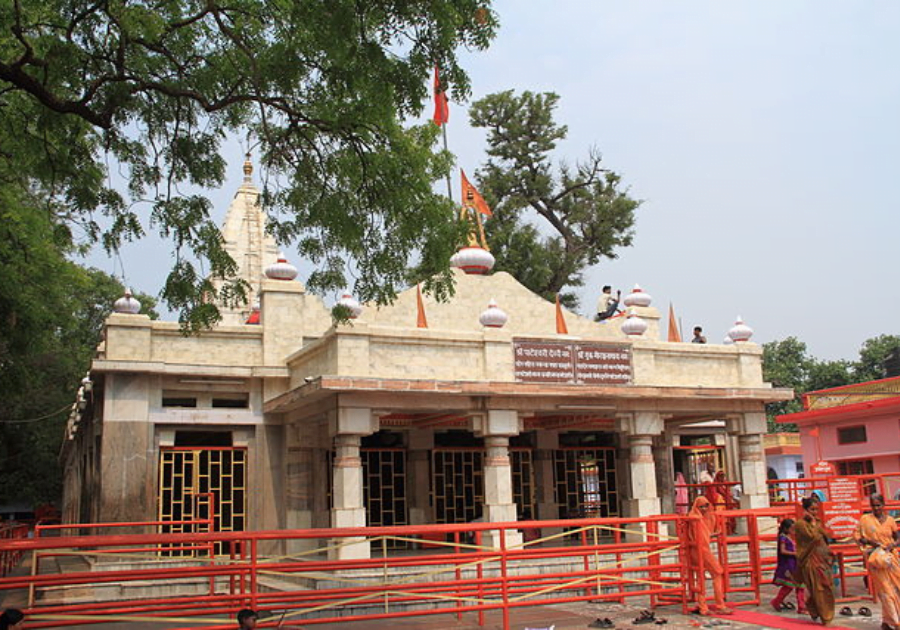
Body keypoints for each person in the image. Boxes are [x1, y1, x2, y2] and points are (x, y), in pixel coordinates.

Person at [855, 493, 900, 630]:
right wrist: (871, 542)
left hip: (891, 559)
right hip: (876, 560)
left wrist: (892, 545)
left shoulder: (890, 520)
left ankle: (886, 622)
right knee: (886, 591)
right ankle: (896, 622)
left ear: (883, 505)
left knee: (896, 589)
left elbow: (897, 537)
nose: (876, 508)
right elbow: (859, 537)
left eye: (878, 505)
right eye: (873, 506)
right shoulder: (865, 519)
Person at [686, 496, 732, 616]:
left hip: (697, 549)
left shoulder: (696, 517)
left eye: (706, 506)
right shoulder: (695, 518)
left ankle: (703, 606)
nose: (704, 509)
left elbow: (705, 534)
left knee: (701, 576)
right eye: (701, 506)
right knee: (717, 572)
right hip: (702, 549)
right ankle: (720, 604)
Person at [795, 497, 835, 626]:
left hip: (822, 559)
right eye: (812, 509)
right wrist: (812, 523)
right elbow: (812, 537)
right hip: (809, 560)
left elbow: (825, 536)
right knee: (818, 587)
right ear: (805, 510)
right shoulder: (800, 524)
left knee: (826, 585)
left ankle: (813, 606)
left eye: (816, 509)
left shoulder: (817, 522)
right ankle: (826, 617)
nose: (815, 512)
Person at [771, 518, 806, 613]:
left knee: (800, 585)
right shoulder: (783, 537)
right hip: (788, 565)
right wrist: (795, 553)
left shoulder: (790, 537)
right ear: (786, 529)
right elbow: (783, 551)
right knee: (789, 586)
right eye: (792, 529)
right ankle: (776, 601)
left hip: (795, 564)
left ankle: (801, 606)